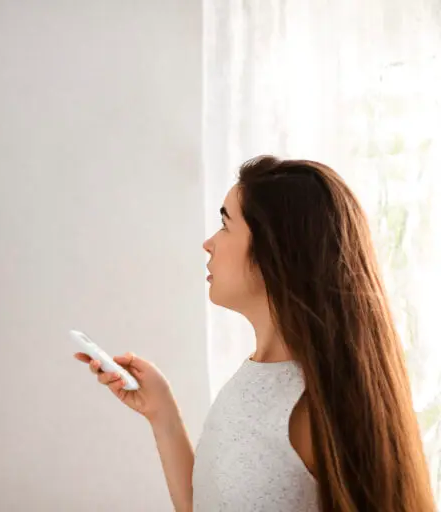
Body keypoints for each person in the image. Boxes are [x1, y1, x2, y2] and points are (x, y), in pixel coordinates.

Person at [74, 156, 436, 511]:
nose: (209, 243)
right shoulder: (256, 374)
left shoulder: (312, 406)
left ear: (274, 249)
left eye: (226, 224)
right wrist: (162, 412)